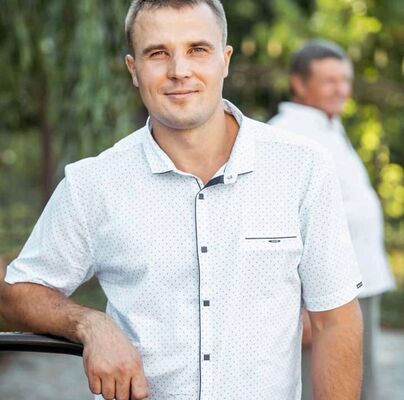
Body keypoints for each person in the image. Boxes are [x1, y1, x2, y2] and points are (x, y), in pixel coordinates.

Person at [0, 3, 363, 400]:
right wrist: (90, 324)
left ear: (225, 60)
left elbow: (336, 320)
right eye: (158, 53)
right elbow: (18, 293)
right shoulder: (93, 183)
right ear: (133, 69)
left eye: (197, 49)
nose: (179, 71)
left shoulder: (302, 167)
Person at [269, 40, 396, 400]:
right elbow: (278, 221)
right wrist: (300, 306)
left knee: (362, 387)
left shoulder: (329, 126)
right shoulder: (285, 133)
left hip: (360, 282)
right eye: (330, 81)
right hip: (323, 296)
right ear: (299, 83)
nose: (341, 89)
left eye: (345, 80)